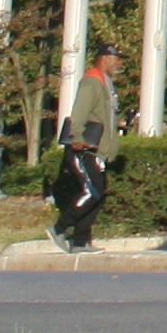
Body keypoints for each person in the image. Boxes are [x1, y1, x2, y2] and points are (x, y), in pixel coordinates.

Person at [50, 53, 120, 249]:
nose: (120, 63)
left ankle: (80, 242)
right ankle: (59, 229)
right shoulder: (92, 83)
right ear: (105, 58)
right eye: (117, 58)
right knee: (92, 193)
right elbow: (78, 115)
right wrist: (78, 139)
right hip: (85, 150)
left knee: (97, 194)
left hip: (98, 151)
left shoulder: (106, 84)